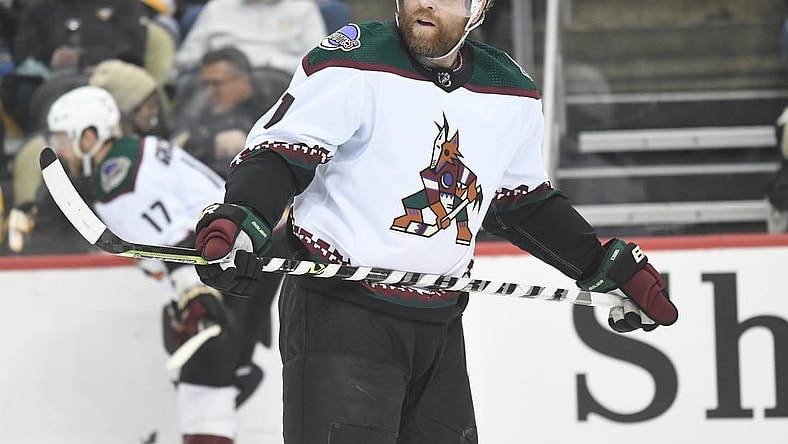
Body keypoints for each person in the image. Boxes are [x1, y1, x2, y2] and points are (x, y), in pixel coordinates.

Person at [192, 1, 679, 442]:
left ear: (479, 8)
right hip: (339, 313)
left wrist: (601, 264)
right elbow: (280, 153)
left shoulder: (508, 89)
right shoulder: (355, 59)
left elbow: (524, 205)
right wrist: (245, 216)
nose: (426, 3)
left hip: (440, 322)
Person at [45, 85, 285, 444]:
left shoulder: (116, 178)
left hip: (221, 268)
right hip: (247, 250)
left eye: (65, 138)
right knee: (205, 380)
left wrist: (194, 294)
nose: (61, 148)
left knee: (202, 388)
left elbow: (176, 243)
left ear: (90, 135)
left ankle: (233, 369)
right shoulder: (142, 149)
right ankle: (237, 368)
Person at [5, 0, 148, 133]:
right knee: (23, 89)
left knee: (143, 90)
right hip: (52, 82)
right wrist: (50, 58)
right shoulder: (41, 7)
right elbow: (22, 54)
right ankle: (44, 148)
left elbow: (136, 50)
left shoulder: (124, 4)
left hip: (108, 77)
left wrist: (90, 59)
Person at [173, 46, 289, 175]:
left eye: (216, 84)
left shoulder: (276, 95)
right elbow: (177, 145)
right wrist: (211, 143)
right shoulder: (199, 103)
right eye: (206, 84)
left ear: (243, 81)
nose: (209, 92)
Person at [171, 0, 326, 88]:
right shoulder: (217, 7)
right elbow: (186, 58)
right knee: (199, 86)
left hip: (279, 78)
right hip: (220, 77)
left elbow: (320, 62)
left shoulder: (303, 9)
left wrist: (267, 61)